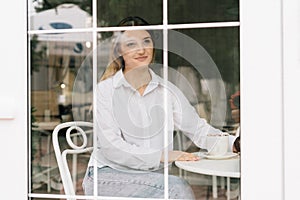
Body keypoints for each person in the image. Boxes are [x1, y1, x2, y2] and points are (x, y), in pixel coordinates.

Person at [82, 16, 239, 199]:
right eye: (131, 44)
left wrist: (233, 144)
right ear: (119, 51)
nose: (141, 49)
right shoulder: (106, 90)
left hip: (151, 178)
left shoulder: (167, 91)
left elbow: (198, 129)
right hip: (106, 175)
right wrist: (164, 155)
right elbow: (112, 148)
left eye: (146, 41)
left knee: (173, 187)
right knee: (177, 189)